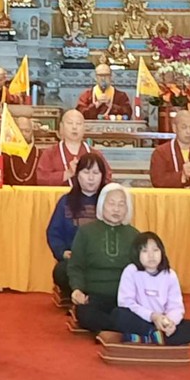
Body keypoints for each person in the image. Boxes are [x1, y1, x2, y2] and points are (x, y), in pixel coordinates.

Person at [112, 232, 190, 345]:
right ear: (137, 254)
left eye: (155, 250)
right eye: (145, 251)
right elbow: (126, 303)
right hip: (140, 320)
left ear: (162, 252)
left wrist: (170, 323)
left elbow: (175, 306)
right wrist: (152, 316)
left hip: (163, 323)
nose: (151, 255)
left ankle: (148, 338)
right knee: (118, 314)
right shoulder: (131, 271)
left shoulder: (170, 275)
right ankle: (155, 335)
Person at [68, 183, 138, 333]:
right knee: (85, 314)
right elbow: (75, 266)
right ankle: (124, 329)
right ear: (101, 205)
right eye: (111, 203)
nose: (116, 209)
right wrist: (77, 289)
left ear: (127, 209)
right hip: (95, 297)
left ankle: (113, 327)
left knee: (133, 312)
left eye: (121, 204)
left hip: (124, 298)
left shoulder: (134, 235)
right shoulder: (85, 232)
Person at [46, 153, 108, 299]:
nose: (91, 178)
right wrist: (62, 252)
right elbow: (53, 232)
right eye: (86, 172)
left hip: (103, 261)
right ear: (77, 175)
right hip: (75, 261)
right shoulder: (66, 201)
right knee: (61, 272)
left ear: (102, 176)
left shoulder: (108, 201)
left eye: (96, 173)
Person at [37, 110, 112, 186]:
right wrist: (68, 173)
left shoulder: (95, 154)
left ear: (84, 128)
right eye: (70, 123)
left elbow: (107, 178)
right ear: (61, 127)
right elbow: (41, 179)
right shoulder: (50, 154)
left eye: (78, 123)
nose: (74, 127)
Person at [1, 116, 40, 185]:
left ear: (32, 132)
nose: (23, 134)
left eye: (27, 131)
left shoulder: (40, 155)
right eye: (20, 131)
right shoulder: (6, 154)